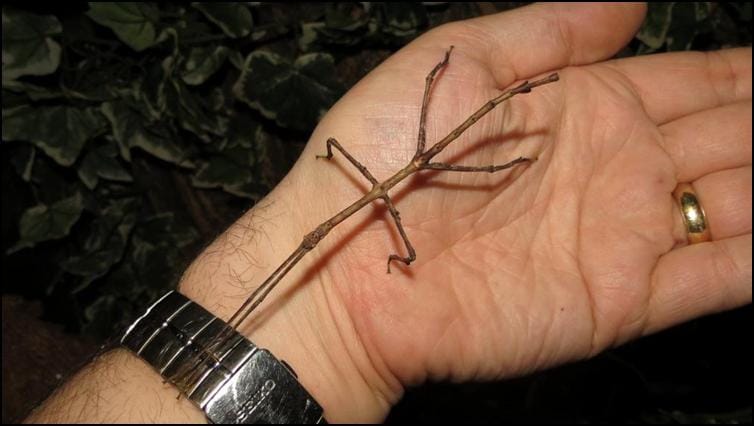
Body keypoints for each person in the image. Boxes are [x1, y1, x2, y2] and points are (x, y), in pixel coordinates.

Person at [25, 3, 751, 423]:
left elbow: (459, 129)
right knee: (338, 228)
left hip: (434, 157)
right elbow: (400, 123)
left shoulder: (455, 155)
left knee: (474, 162)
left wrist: (501, 156)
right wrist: (332, 325)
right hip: (412, 167)